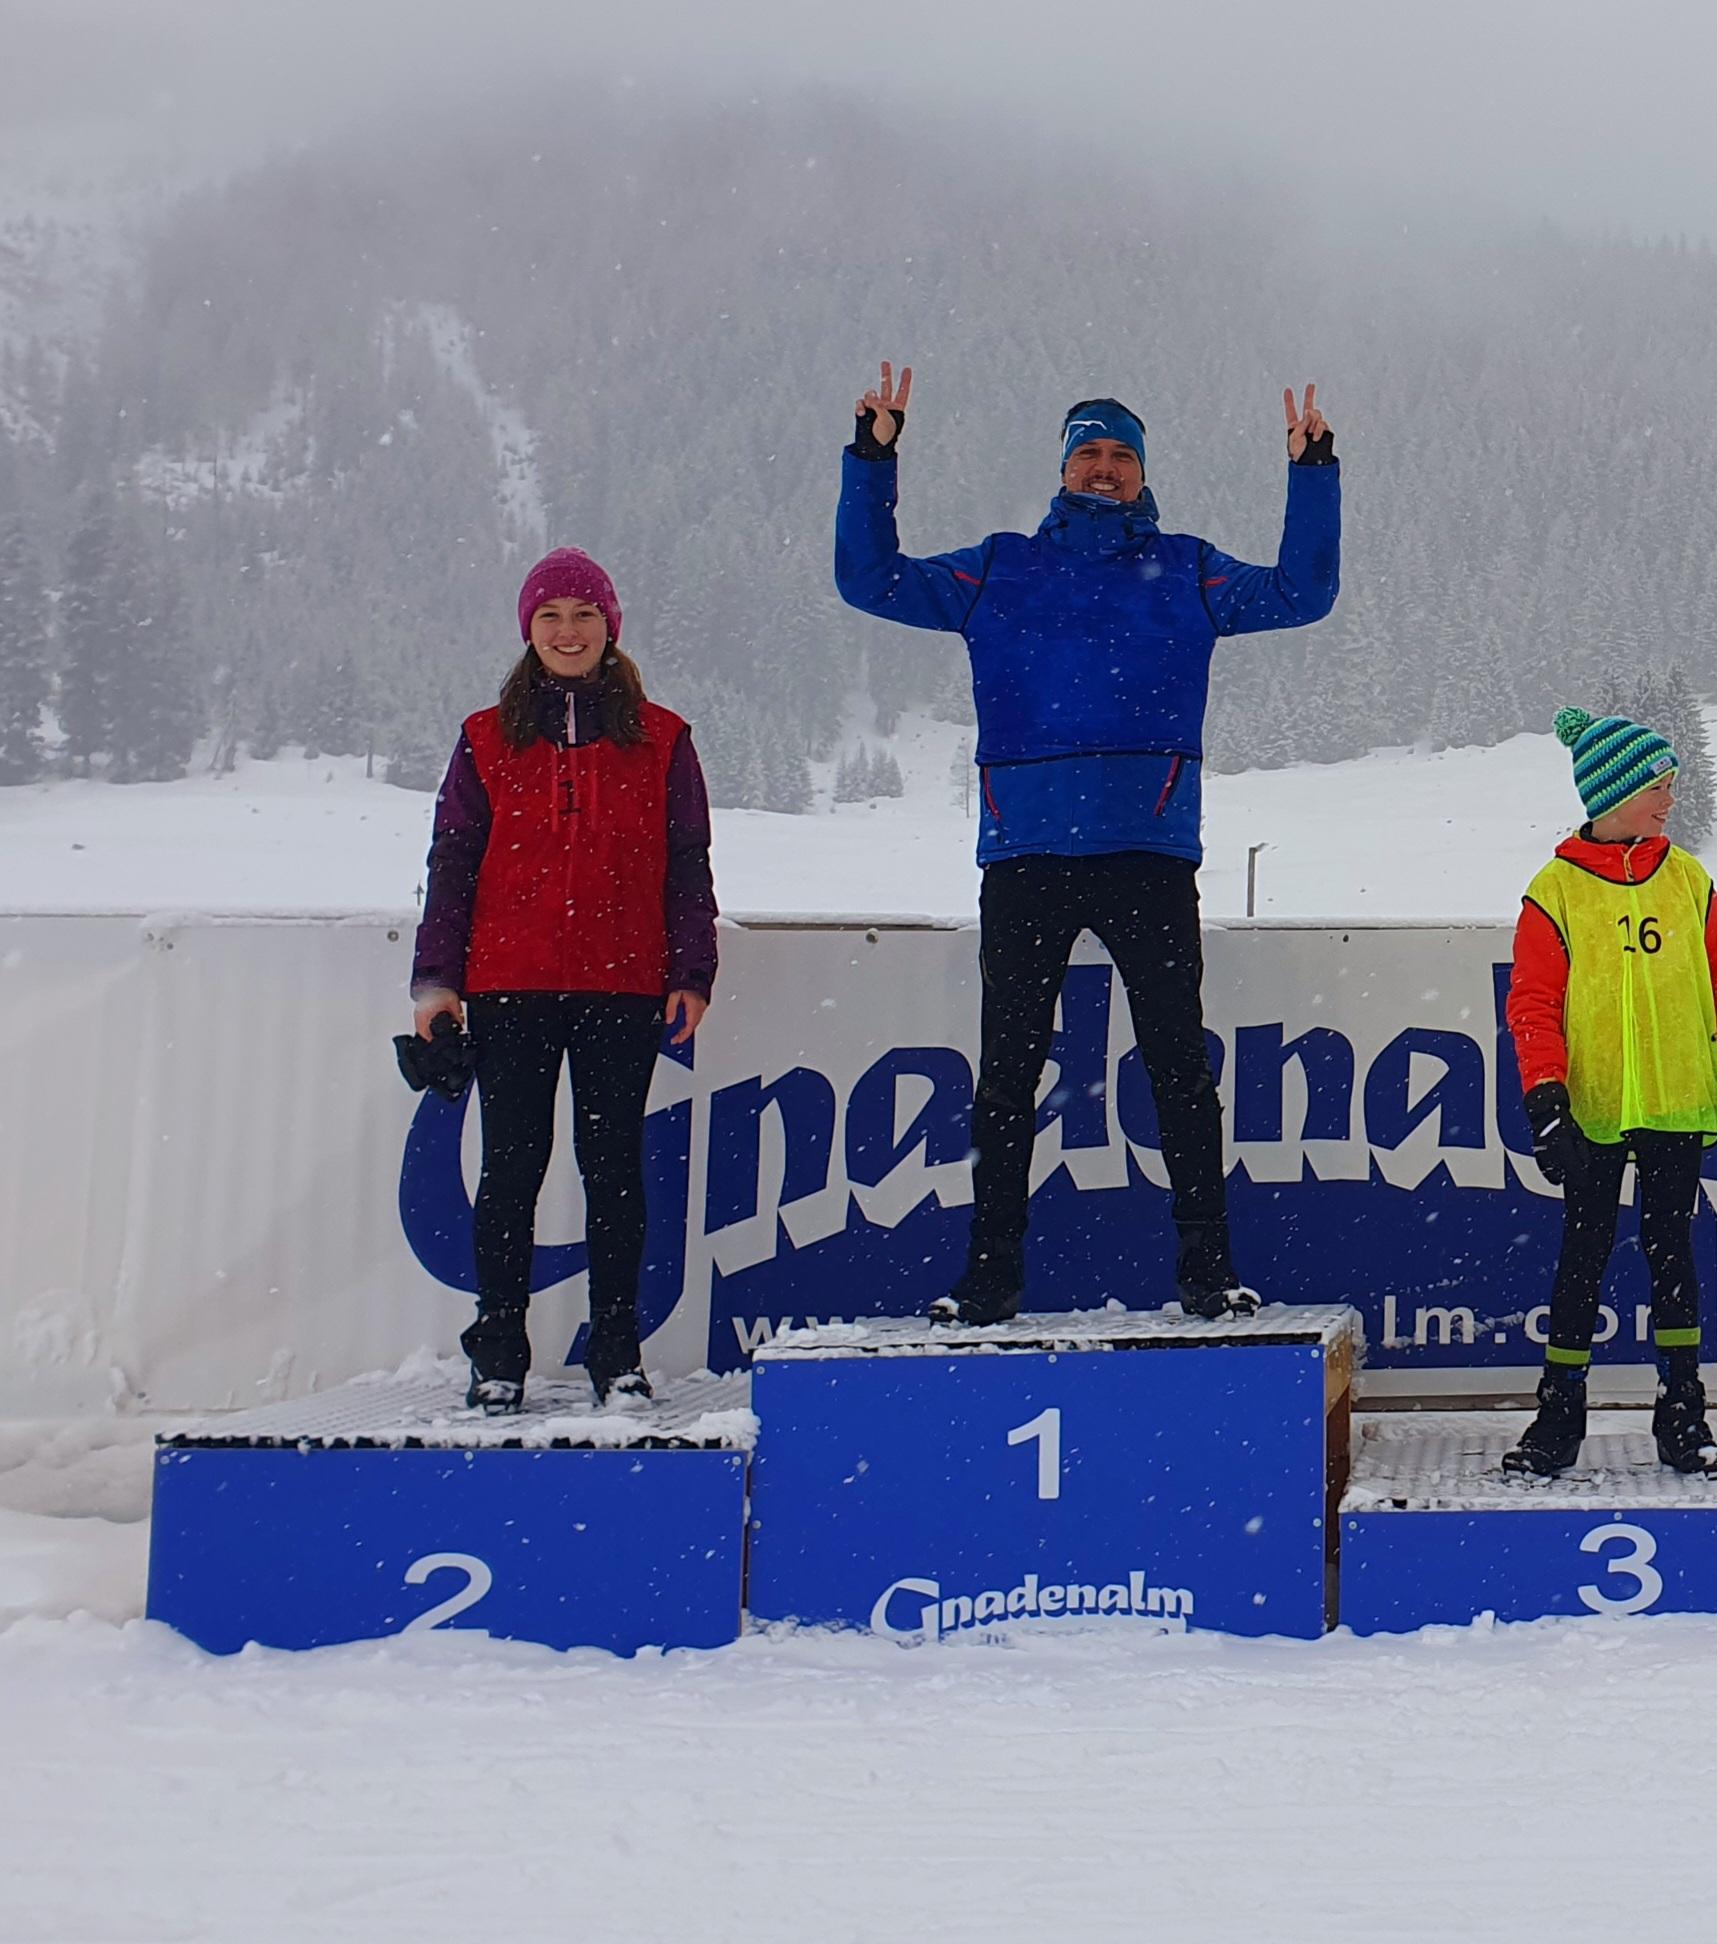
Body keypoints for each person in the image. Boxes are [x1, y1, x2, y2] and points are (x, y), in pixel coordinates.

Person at [833, 364, 1340, 1323]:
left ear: (1142, 474)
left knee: (1178, 1068)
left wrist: (1312, 474)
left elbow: (1303, 592)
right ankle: (990, 1281)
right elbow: (870, 580)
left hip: (1146, 850)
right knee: (1008, 1077)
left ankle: (1206, 1275)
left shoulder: (1187, 568)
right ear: (1063, 467)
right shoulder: (1001, 566)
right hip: (1024, 852)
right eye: (1088, 454)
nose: (1103, 470)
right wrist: (872, 461)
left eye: (1120, 456)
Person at [412, 548, 717, 1412]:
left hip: (624, 983)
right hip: (509, 982)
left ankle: (615, 1348)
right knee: (512, 1167)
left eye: (584, 615)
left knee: (613, 1167)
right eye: (551, 616)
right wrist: (437, 978)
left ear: (610, 628)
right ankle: (499, 1345)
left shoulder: (662, 737)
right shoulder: (484, 736)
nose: (568, 631)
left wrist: (691, 970)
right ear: (528, 630)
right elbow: (453, 860)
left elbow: (688, 864)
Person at [1500, 707, 1717, 1478]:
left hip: (1679, 1104)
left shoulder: (1689, 879)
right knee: (1581, 1256)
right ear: (1613, 794)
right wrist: (1546, 1100)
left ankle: (1683, 1412)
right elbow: (1534, 1005)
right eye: (1660, 785)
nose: (1671, 800)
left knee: (1673, 1255)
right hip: (1592, 1111)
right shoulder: (1553, 891)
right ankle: (1558, 1417)